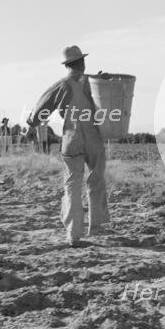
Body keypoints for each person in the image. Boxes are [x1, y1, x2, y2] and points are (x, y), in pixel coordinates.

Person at [27, 46, 109, 247]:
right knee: (96, 181)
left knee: (72, 183)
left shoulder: (61, 85)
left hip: (71, 138)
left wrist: (32, 124)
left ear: (67, 65)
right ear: (82, 62)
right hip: (95, 138)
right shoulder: (95, 82)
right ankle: (96, 228)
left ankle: (74, 234)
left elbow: (40, 112)